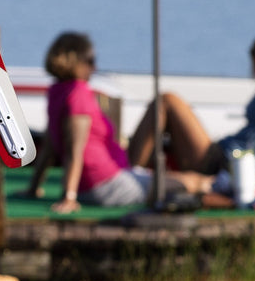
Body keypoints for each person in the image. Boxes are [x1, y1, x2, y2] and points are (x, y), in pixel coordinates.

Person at [26, 32, 207, 213]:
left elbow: (49, 147)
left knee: (180, 179)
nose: (94, 67)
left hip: (98, 184)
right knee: (193, 182)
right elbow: (75, 150)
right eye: (90, 61)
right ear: (76, 62)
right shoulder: (78, 94)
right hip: (108, 185)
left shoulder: (57, 92)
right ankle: (229, 188)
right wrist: (69, 198)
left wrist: (33, 189)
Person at [128, 29, 255, 194]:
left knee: (167, 101)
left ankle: (129, 174)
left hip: (223, 161)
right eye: (253, 53)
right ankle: (130, 172)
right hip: (230, 160)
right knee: (169, 105)